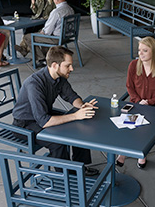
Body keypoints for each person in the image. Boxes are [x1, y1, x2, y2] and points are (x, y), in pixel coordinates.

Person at [12, 46, 100, 176]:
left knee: (79, 126)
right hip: (25, 125)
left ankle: (79, 167)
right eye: (68, 65)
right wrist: (75, 116)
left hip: (43, 115)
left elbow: (72, 96)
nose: (72, 69)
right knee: (57, 142)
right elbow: (44, 121)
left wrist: (81, 106)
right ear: (55, 65)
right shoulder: (34, 84)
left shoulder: (59, 77)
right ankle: (66, 177)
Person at [116, 37, 155, 169]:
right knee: (127, 124)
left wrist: (149, 102)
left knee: (143, 126)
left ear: (154, 51)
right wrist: (138, 100)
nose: (141, 53)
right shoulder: (133, 65)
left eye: (145, 50)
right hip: (136, 103)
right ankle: (124, 151)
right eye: (140, 50)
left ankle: (142, 154)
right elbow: (129, 86)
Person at [15, 0, 73, 66]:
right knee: (39, 35)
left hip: (57, 38)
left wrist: (41, 32)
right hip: (67, 36)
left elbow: (47, 31)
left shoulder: (56, 12)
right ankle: (41, 55)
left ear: (56, 0)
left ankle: (41, 59)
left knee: (28, 37)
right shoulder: (70, 9)